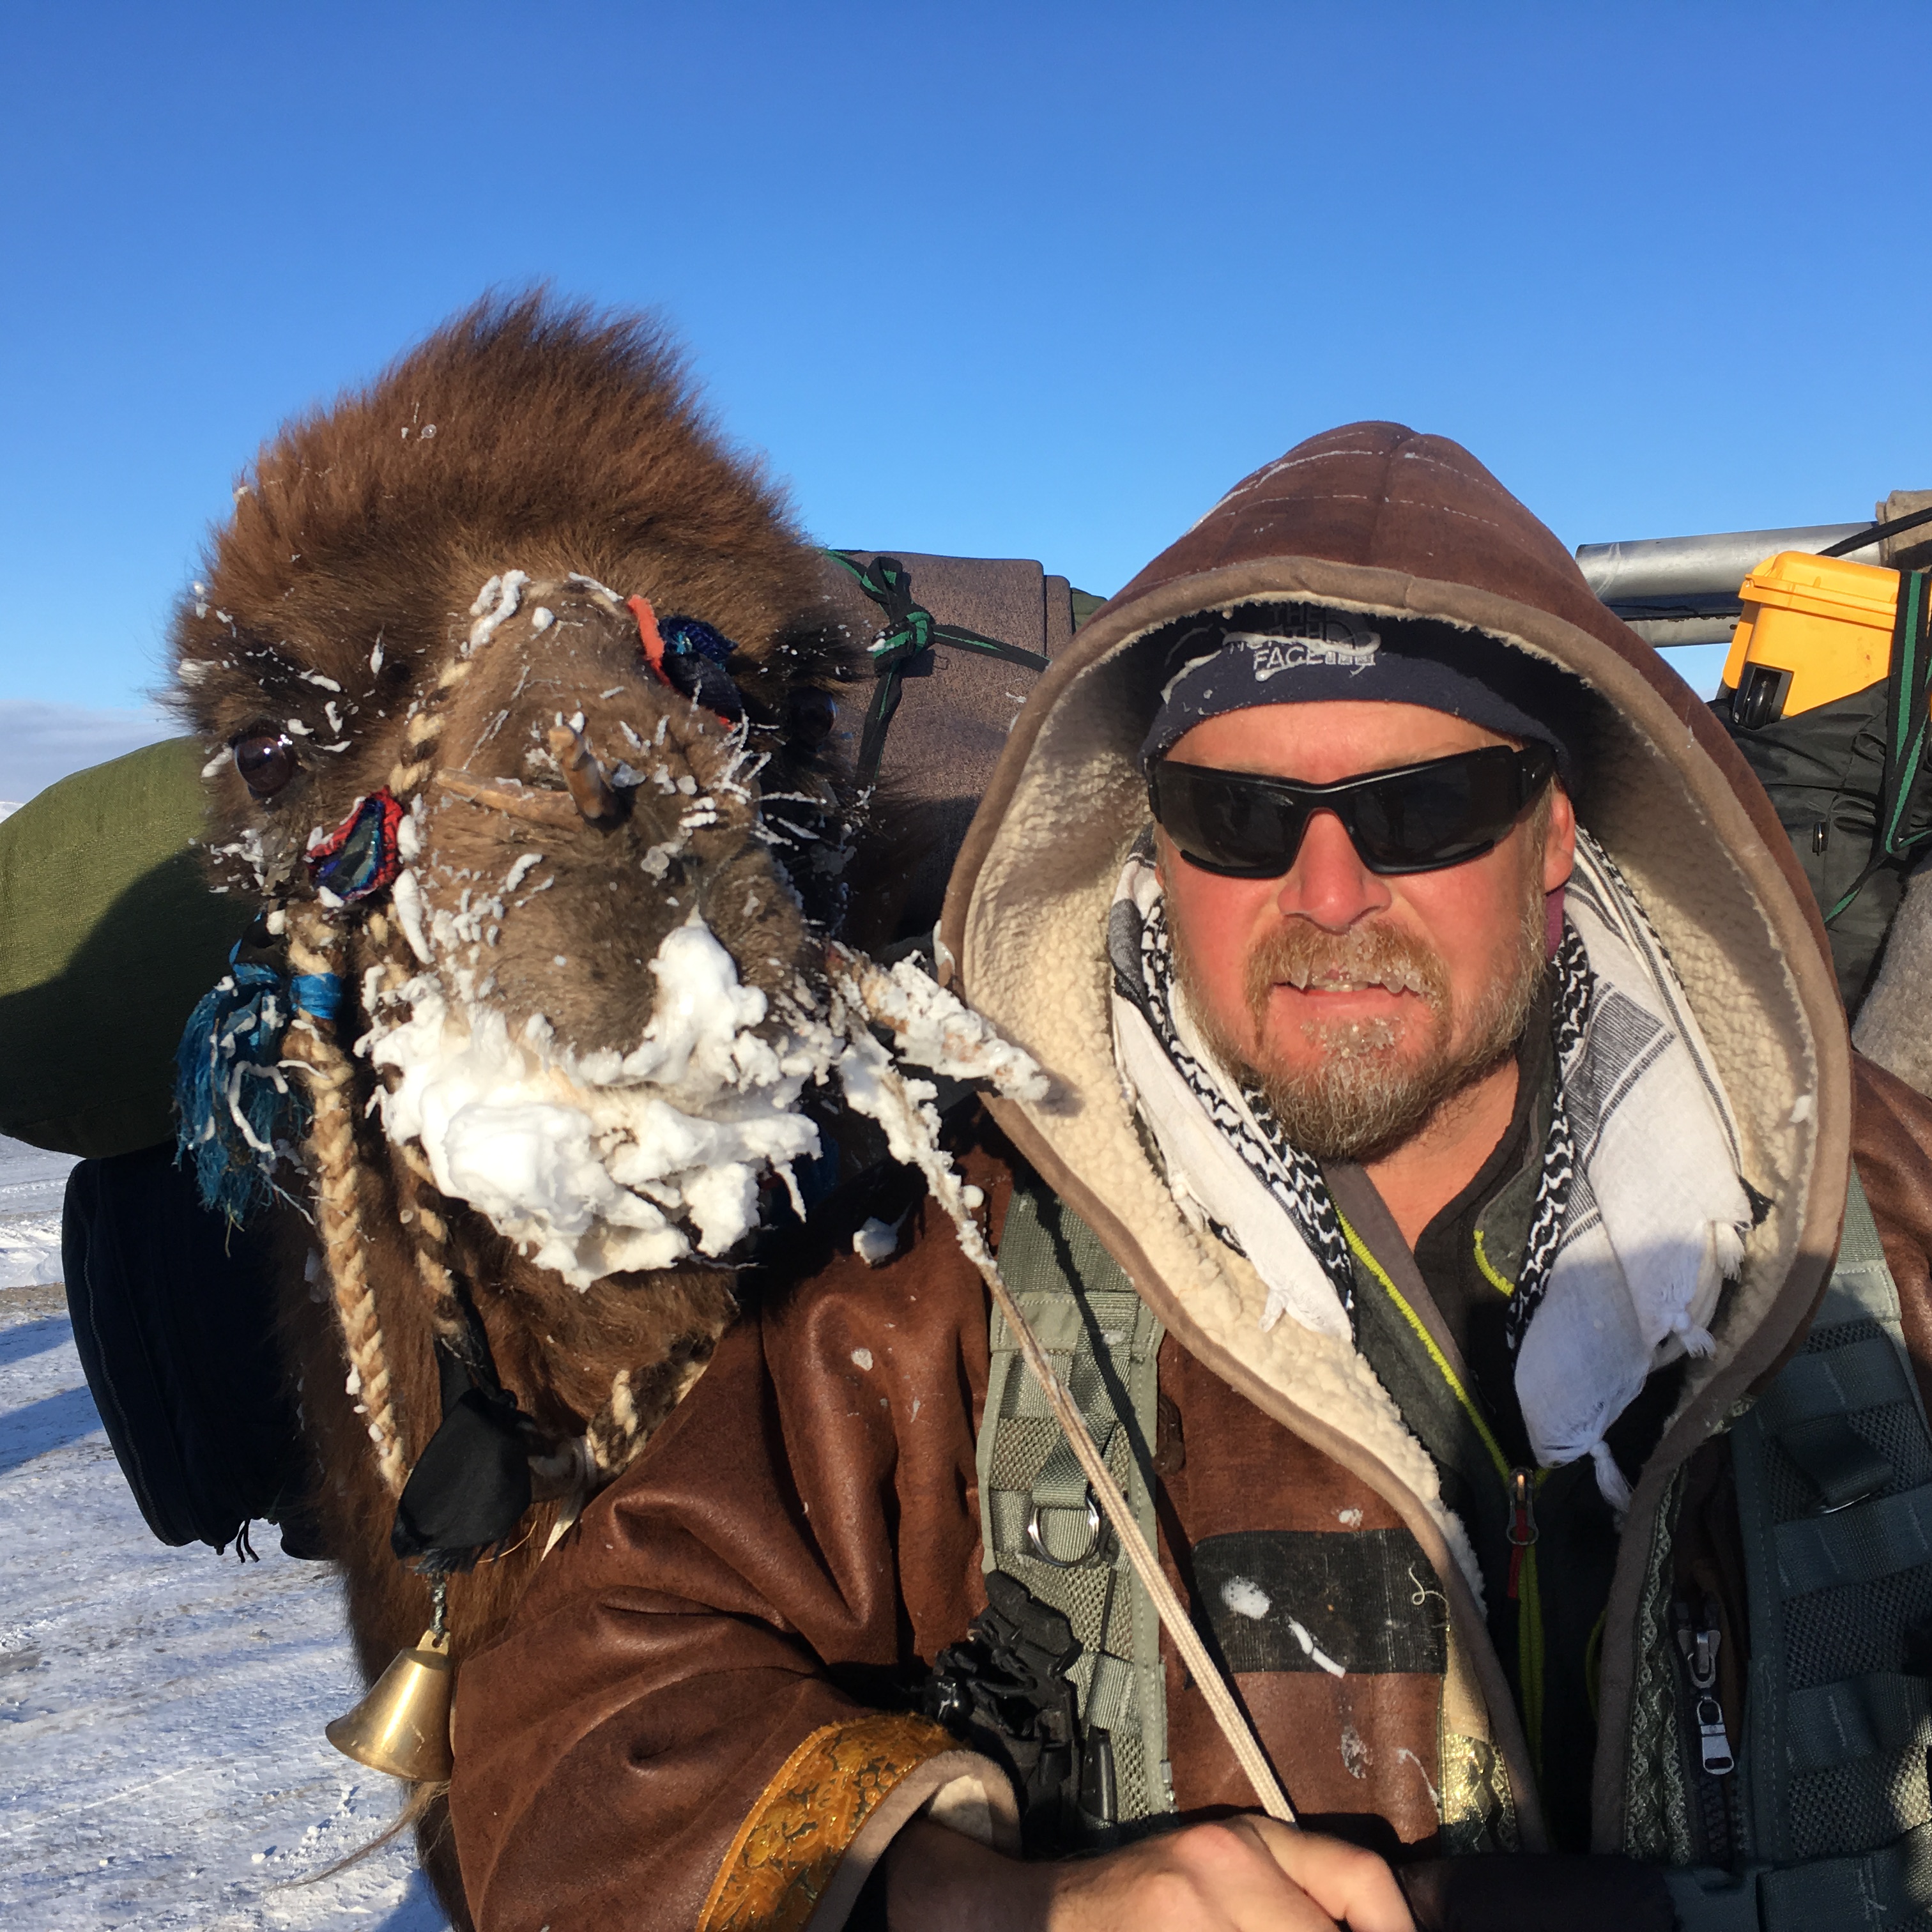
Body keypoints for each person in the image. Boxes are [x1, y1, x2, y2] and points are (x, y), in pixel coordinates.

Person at [444, 424, 1932, 1931]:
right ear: (1156, 843)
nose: (1330, 893)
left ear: (1551, 837)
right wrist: (974, 1899)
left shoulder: (1868, 1214)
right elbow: (564, 1727)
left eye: (1422, 809)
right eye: (1242, 818)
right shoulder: (971, 1269)